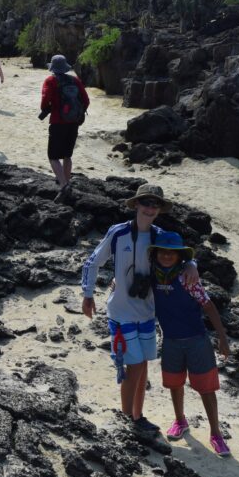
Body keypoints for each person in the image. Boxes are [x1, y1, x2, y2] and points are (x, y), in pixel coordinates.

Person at [80, 184, 198, 432]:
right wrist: (87, 294)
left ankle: (137, 416)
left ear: (160, 210)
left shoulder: (160, 236)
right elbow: (92, 262)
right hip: (121, 313)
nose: (150, 208)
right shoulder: (119, 233)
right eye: (145, 203)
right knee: (133, 366)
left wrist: (193, 264)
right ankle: (127, 419)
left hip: (147, 312)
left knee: (143, 365)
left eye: (155, 204)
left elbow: (180, 256)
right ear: (136, 205)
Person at [148, 232, 232, 456]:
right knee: (174, 384)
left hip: (197, 341)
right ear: (155, 254)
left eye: (172, 253)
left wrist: (223, 339)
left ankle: (216, 434)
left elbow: (209, 306)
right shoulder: (151, 276)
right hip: (171, 341)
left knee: (207, 389)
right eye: (162, 252)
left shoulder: (187, 278)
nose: (166, 255)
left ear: (179, 257)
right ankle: (180, 420)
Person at [39, 54, 89, 200]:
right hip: (73, 122)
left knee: (53, 157)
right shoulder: (75, 80)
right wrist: (77, 114)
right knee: (67, 155)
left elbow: (45, 99)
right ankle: (66, 182)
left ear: (53, 68)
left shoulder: (50, 80)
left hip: (57, 122)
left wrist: (46, 108)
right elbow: (86, 100)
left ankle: (63, 185)